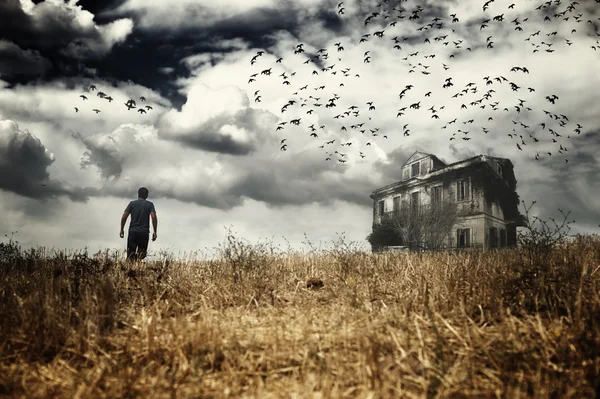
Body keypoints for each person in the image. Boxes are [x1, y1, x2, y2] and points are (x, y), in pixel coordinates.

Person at [120, 187, 157, 262]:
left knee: (130, 253)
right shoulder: (150, 204)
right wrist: (155, 231)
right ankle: (137, 264)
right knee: (142, 254)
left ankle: (131, 268)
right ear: (147, 195)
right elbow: (153, 217)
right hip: (144, 232)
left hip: (133, 231)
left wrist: (122, 229)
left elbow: (124, 217)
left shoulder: (132, 204)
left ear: (138, 194)